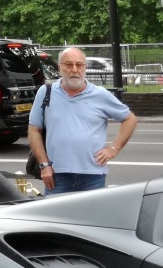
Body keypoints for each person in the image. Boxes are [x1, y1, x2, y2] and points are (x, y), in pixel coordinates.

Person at [27, 47, 137, 194]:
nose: (74, 69)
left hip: (92, 176)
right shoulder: (46, 92)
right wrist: (44, 165)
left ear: (85, 68)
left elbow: (130, 119)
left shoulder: (100, 95)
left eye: (79, 65)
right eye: (68, 64)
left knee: (89, 217)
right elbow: (34, 130)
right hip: (56, 175)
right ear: (59, 68)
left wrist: (113, 149)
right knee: (55, 217)